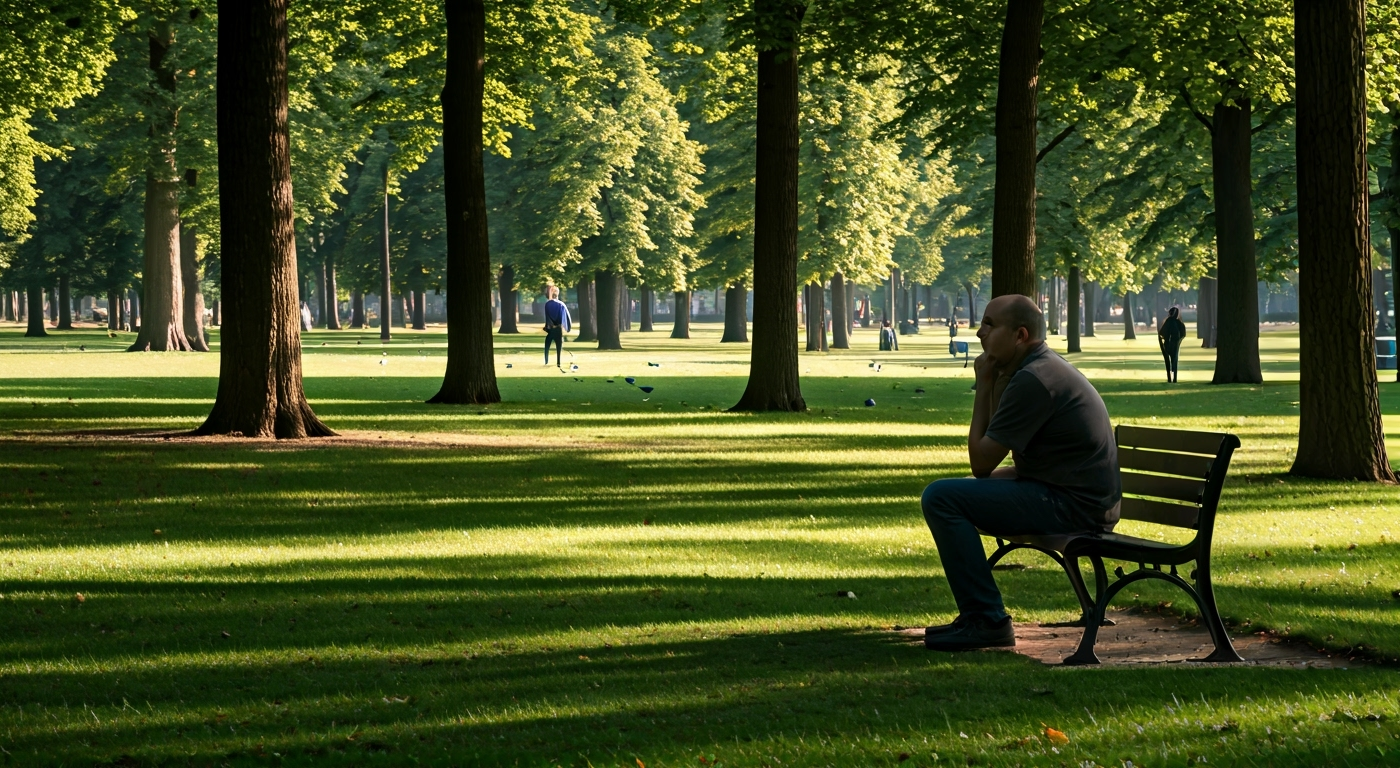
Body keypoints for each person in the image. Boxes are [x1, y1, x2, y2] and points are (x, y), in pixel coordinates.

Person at [921, 294, 1120, 651]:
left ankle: (987, 620)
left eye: (989, 324)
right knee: (953, 493)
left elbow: (982, 461)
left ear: (1020, 335)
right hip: (1067, 493)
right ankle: (979, 617)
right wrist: (994, 379)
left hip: (1074, 505)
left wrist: (982, 385)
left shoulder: (1035, 379)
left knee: (942, 497)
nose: (980, 332)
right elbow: (993, 455)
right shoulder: (1034, 369)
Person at [543, 285, 571, 367]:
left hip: (551, 329)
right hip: (558, 329)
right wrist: (567, 327)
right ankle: (558, 362)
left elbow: (547, 317)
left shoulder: (547, 304)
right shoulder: (561, 304)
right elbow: (566, 317)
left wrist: (547, 327)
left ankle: (546, 361)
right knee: (559, 347)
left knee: (547, 345)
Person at [1158, 306, 1186, 383]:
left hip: (1167, 344)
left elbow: (1161, 333)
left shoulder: (1167, 321)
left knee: (1167, 361)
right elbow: (1183, 334)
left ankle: (1169, 378)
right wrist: (1178, 341)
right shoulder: (1179, 322)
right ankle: (1175, 378)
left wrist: (1165, 339)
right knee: (1175, 360)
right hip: (1175, 344)